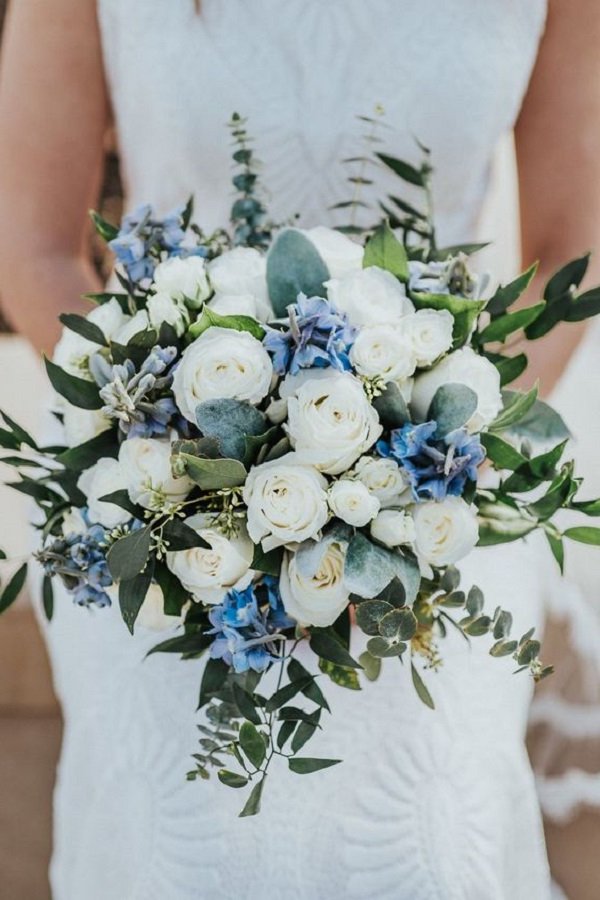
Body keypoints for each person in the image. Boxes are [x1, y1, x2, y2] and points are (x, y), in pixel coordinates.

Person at [0, 1, 599, 897]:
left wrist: (418, 459)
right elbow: (36, 246)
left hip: (441, 469)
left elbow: (567, 256)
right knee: (182, 850)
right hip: (160, 480)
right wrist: (177, 452)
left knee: (431, 845)